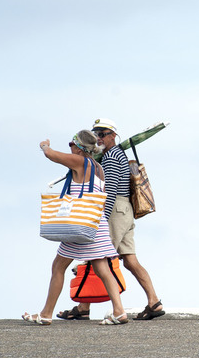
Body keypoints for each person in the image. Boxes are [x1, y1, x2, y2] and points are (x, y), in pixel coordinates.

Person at [57, 119, 165, 321]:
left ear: (113, 135)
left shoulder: (112, 157)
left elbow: (110, 190)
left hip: (115, 209)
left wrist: (100, 219)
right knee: (130, 261)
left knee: (96, 255)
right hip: (125, 210)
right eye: (96, 134)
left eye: (103, 133)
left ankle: (83, 307)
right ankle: (154, 302)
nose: (99, 138)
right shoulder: (113, 155)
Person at [23, 130, 129, 326]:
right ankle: (119, 311)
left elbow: (51, 155)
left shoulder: (80, 162)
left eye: (72, 144)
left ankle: (46, 314)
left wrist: (45, 145)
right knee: (102, 268)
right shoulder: (98, 168)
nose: (69, 148)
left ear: (79, 148)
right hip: (95, 224)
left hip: (79, 226)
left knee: (58, 267)